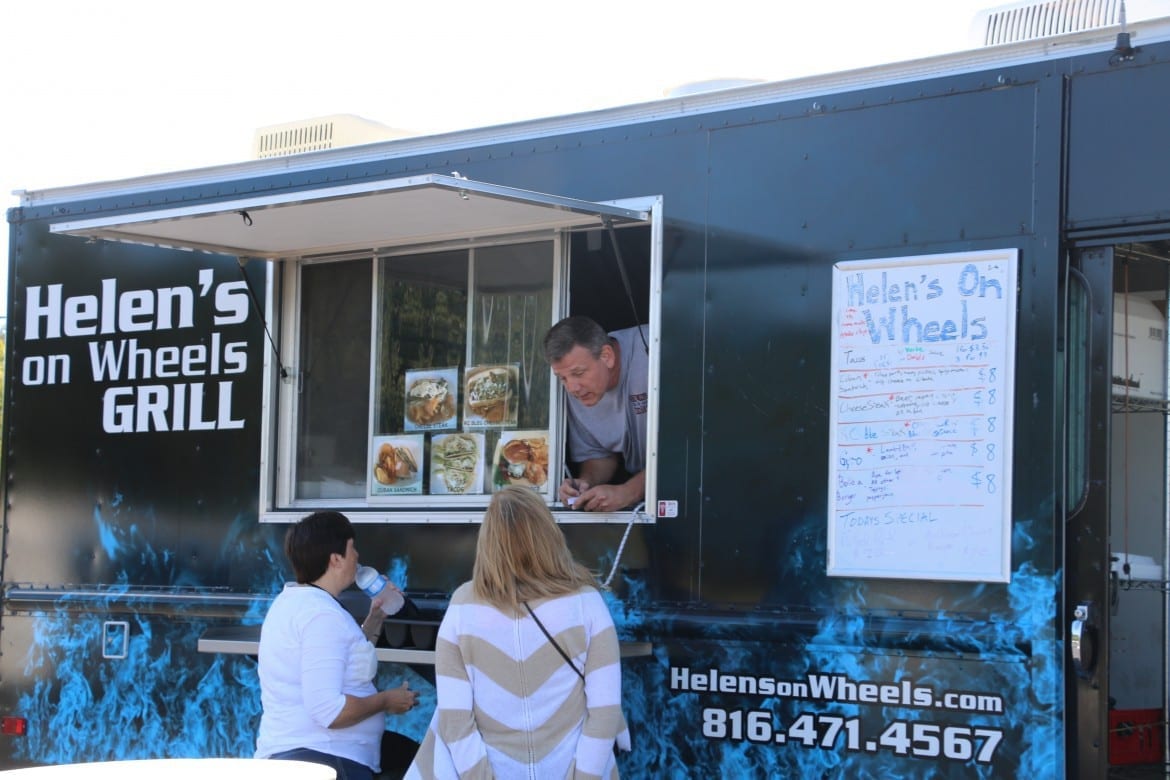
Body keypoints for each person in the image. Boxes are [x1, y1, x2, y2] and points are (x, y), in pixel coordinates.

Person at [406, 486, 630, 779]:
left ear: (488, 541)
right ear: (548, 535)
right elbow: (604, 713)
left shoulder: (463, 606)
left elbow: (456, 721)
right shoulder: (586, 603)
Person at [256, 510, 419, 780]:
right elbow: (328, 711)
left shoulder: (296, 602)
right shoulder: (321, 615)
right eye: (352, 549)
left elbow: (344, 659)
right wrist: (386, 700)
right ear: (336, 559)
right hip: (326, 758)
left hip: (313, 753)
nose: (357, 557)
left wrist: (376, 617)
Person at [543, 316, 649, 512]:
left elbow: (690, 447)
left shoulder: (653, 347)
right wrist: (584, 484)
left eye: (578, 373)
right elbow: (599, 454)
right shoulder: (578, 392)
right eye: (562, 378)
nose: (572, 387)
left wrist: (629, 491)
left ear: (607, 356)